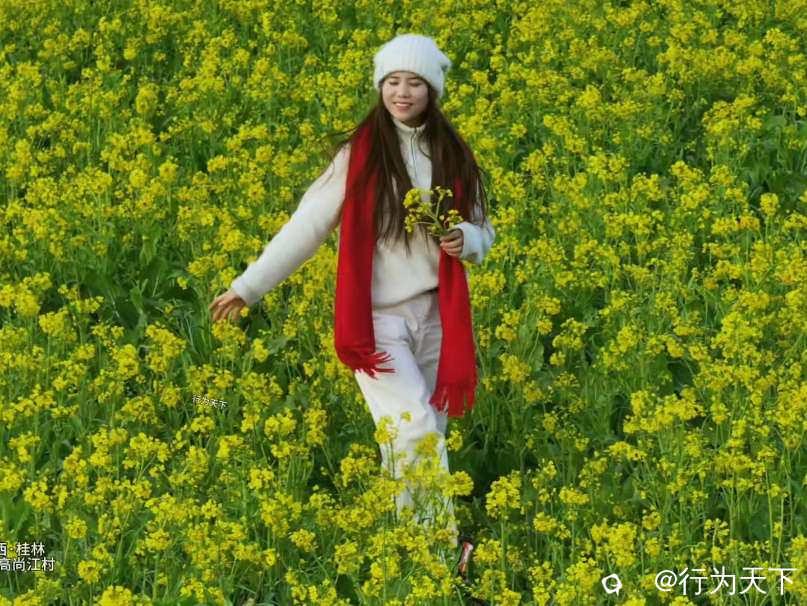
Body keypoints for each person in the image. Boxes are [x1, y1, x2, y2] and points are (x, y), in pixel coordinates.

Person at [209, 33, 495, 573]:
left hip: (438, 314)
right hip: (378, 320)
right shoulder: (358, 156)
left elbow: (483, 228)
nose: (402, 92)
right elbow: (307, 227)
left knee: (423, 434)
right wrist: (249, 286)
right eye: (392, 81)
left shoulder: (453, 153)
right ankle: (437, 560)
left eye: (414, 83)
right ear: (380, 87)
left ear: (432, 90)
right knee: (412, 428)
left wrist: (468, 240)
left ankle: (406, 545)